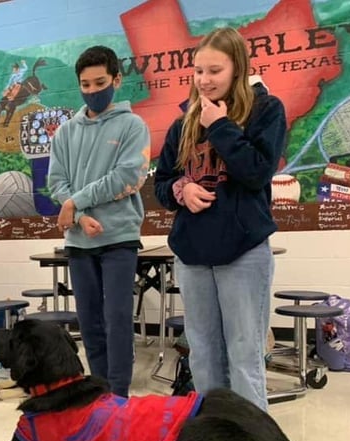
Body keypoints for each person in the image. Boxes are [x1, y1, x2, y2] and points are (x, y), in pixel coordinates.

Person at [154, 27, 287, 412]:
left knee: (245, 356)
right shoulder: (183, 124)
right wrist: (182, 190)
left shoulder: (266, 110)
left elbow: (257, 172)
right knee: (203, 356)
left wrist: (220, 126)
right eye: (198, 71)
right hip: (193, 255)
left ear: (237, 70)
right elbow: (162, 183)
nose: (204, 80)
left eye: (214, 71)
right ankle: (214, 440)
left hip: (243, 252)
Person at [48, 45, 151, 398]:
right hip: (79, 241)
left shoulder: (133, 125)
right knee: (89, 323)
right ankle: (99, 394)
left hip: (119, 237)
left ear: (117, 80)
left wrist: (78, 200)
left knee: (118, 319)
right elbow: (55, 183)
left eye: (100, 82)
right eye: (85, 84)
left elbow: (127, 177)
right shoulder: (64, 133)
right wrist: (77, 216)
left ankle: (119, 396)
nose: (92, 91)